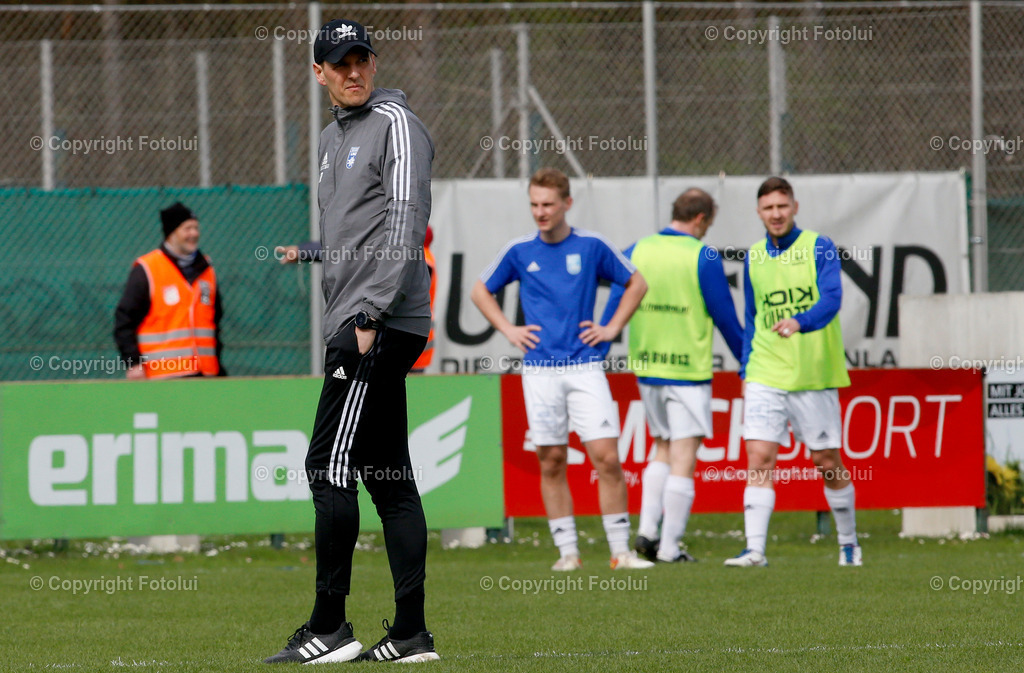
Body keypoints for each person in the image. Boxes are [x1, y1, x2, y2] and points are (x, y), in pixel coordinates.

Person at [264, 19, 438, 664]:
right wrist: (316, 257)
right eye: (340, 63)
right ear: (319, 73)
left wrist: (368, 311)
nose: (354, 71)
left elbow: (404, 219)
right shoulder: (333, 137)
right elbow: (353, 233)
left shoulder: (394, 122)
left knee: (327, 466)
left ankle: (329, 627)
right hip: (361, 319)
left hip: (377, 323)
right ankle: (412, 635)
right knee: (389, 477)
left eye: (362, 59)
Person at [471, 167, 654, 571]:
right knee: (550, 459)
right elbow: (480, 290)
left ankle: (621, 553)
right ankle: (568, 553)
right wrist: (508, 329)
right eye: (534, 204)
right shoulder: (519, 250)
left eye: (548, 204)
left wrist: (611, 327)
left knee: (606, 458)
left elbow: (637, 283)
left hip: (586, 367)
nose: (540, 212)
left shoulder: (592, 245)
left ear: (567, 204)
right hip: (539, 372)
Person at [600, 189, 744, 563]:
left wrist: (599, 347)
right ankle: (669, 547)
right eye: (707, 225)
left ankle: (647, 532)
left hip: (647, 366)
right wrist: (747, 358)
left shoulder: (637, 249)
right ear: (701, 219)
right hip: (687, 370)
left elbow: (617, 304)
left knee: (661, 447)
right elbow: (724, 315)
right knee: (684, 455)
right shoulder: (702, 255)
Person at [725, 176, 860, 568]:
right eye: (768, 208)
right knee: (759, 456)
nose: (776, 214)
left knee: (826, 460)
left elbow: (832, 299)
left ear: (794, 207)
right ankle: (755, 550)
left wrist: (801, 321)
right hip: (766, 370)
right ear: (759, 213)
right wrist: (747, 367)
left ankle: (849, 542)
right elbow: (752, 316)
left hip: (812, 372)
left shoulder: (818, 246)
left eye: (782, 206)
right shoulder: (753, 256)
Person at [274, 225, 437, 373]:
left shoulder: (414, 258)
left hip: (403, 338)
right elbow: (352, 253)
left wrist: (305, 251)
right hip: (411, 338)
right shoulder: (422, 257)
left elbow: (352, 254)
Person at [113, 201, 225, 379]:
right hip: (164, 377)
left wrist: (218, 368)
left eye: (196, 228)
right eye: (187, 229)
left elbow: (214, 321)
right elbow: (124, 321)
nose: (194, 234)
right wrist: (133, 363)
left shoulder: (207, 270)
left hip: (206, 375)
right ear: (171, 233)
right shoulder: (147, 269)